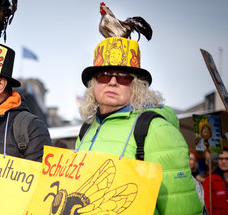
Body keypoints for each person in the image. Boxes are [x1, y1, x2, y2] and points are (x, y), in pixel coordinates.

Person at [76, 37, 203, 214]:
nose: (112, 82)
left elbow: (181, 207)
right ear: (93, 83)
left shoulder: (156, 129)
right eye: (104, 75)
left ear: (136, 86)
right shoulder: (86, 129)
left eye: (124, 78)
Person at [202, 146, 228, 215]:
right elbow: (206, 207)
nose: (224, 161)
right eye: (220, 158)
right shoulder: (210, 181)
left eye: (227, 158)